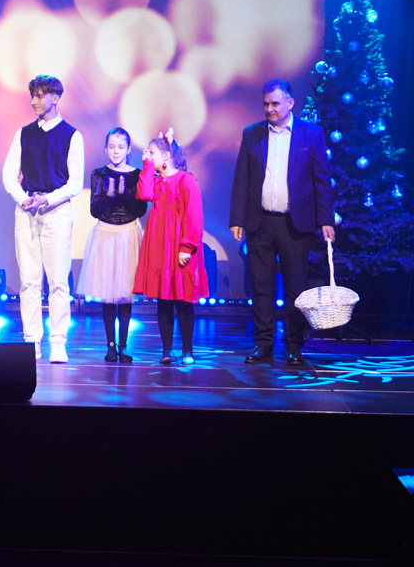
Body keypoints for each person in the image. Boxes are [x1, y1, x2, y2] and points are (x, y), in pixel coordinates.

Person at [229, 79, 335, 367]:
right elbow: (241, 178)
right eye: (266, 104)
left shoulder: (311, 133)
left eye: (275, 103)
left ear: (290, 103)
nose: (270, 109)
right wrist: (237, 218)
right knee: (261, 286)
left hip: (295, 223)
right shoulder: (252, 133)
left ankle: (293, 345)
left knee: (295, 289)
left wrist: (326, 219)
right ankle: (263, 343)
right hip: (259, 221)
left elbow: (322, 180)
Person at [1, 74, 84, 363]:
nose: (34, 101)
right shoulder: (24, 133)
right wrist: (23, 198)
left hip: (56, 211)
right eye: (32, 95)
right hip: (27, 210)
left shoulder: (71, 135)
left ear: (55, 98)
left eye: (40, 95)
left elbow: (75, 183)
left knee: (58, 280)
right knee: (29, 280)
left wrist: (47, 199)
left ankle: (58, 341)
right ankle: (31, 340)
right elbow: (9, 175)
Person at [134, 132, 207, 365]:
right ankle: (166, 350)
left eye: (152, 153)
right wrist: (147, 165)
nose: (148, 156)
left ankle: (188, 350)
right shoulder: (155, 181)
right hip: (160, 246)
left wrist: (187, 246)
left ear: (166, 156)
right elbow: (144, 194)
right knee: (163, 300)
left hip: (179, 246)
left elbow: (193, 216)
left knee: (183, 300)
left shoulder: (186, 180)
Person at [78, 128, 148, 363]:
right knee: (108, 293)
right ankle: (110, 346)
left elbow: (141, 210)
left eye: (120, 147)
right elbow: (94, 210)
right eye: (111, 146)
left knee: (125, 293)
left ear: (128, 149)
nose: (116, 151)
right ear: (105, 148)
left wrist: (123, 195)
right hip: (105, 235)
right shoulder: (99, 174)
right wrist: (108, 195)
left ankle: (124, 345)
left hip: (128, 234)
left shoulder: (137, 175)